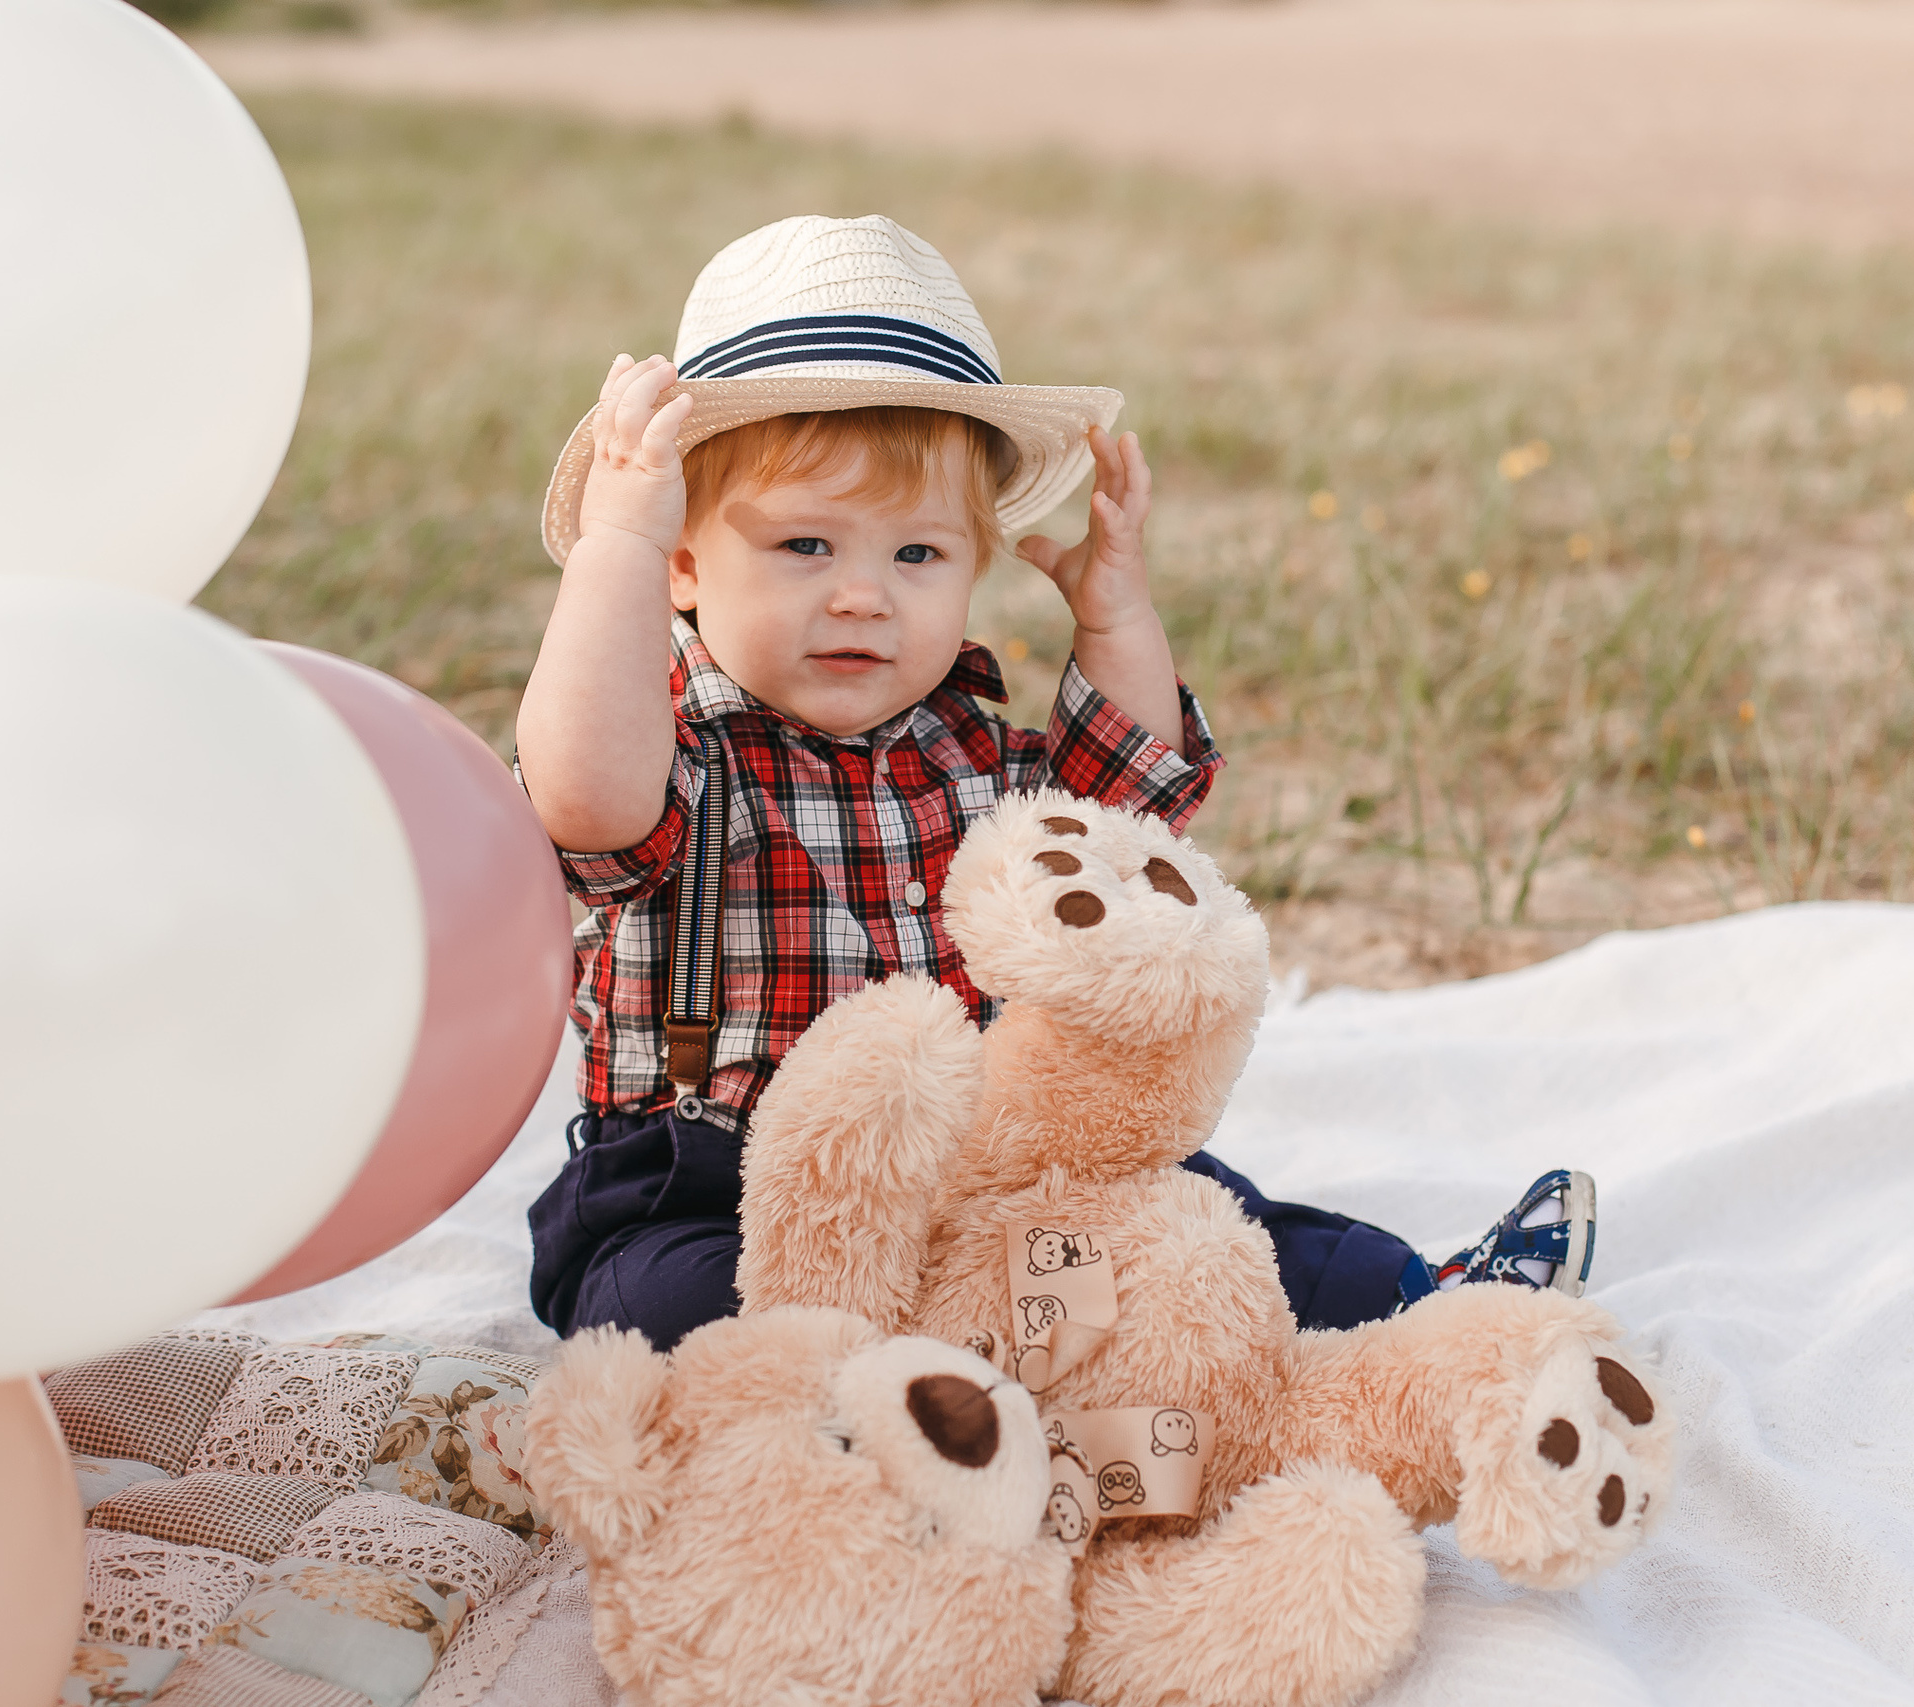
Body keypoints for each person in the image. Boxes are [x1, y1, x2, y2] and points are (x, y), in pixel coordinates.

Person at [513, 214, 1596, 1351]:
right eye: (804, 547)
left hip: (988, 1171)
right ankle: (864, 1421)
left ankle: (1427, 1310)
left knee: (1201, 1218)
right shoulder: (679, 746)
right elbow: (584, 798)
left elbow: (1123, 814)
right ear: (686, 563)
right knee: (681, 1310)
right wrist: (616, 551)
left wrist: (1112, 612)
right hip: (712, 1180)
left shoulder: (969, 754)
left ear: (974, 567)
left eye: (915, 554)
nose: (863, 597)